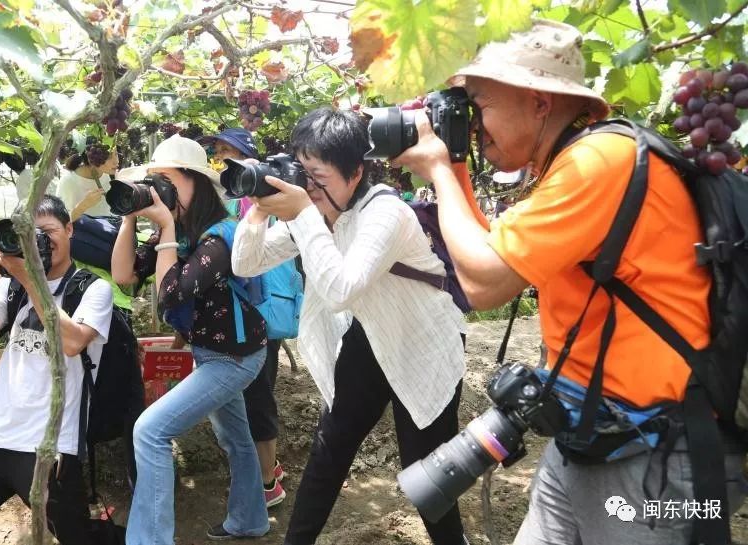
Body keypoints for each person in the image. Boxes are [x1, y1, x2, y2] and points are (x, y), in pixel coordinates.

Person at [392, 19, 748, 545]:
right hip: (592, 436)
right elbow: (492, 257)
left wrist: (442, 171)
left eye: (480, 104)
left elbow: (486, 283)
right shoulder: (572, 164)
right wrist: (456, 166)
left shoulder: (599, 162)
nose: (472, 123)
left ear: (539, 103)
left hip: (659, 465)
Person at [231, 107, 469, 545]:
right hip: (372, 335)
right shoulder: (316, 210)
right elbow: (246, 262)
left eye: (318, 176)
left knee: (428, 480)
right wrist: (258, 209)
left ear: (355, 171)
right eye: (302, 173)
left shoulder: (385, 212)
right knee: (329, 450)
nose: (308, 187)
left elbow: (341, 288)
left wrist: (301, 213)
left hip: (423, 344)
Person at [111, 134, 269, 543]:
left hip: (233, 359)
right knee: (235, 438)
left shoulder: (218, 237)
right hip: (215, 352)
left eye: (166, 180)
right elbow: (124, 275)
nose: (158, 189)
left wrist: (163, 226)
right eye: (154, 181)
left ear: (195, 182)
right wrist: (131, 214)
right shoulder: (179, 233)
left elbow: (170, 294)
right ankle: (250, 520)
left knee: (150, 431)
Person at [0, 195, 113, 545]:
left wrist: (30, 279)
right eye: (30, 234)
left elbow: (72, 342)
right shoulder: (10, 285)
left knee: (76, 537)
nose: (40, 241)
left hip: (49, 445)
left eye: (48, 231)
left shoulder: (93, 289)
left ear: (69, 229)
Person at [201, 127, 288, 506]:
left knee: (258, 395)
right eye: (218, 151)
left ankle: (268, 484)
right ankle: (271, 468)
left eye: (227, 151)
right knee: (252, 393)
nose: (221, 157)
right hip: (246, 310)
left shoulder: (259, 191)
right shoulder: (234, 195)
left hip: (259, 311)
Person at [56, 143, 118, 222]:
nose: (116, 161)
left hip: (107, 232)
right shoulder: (68, 181)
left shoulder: (106, 175)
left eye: (116, 154)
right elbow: (60, 222)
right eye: (109, 157)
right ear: (92, 158)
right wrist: (83, 206)